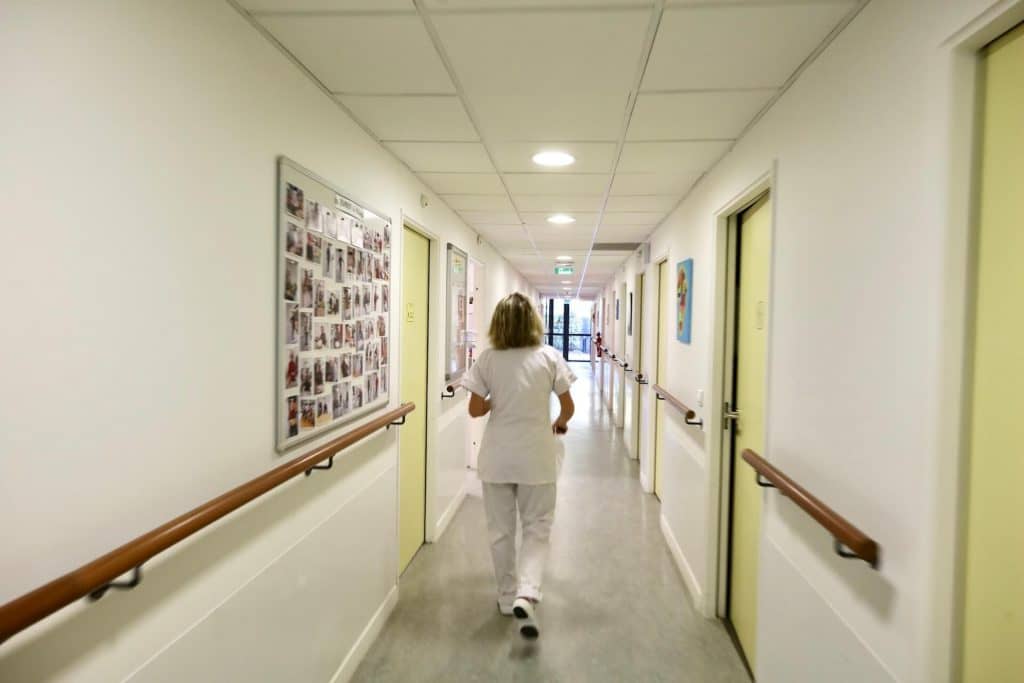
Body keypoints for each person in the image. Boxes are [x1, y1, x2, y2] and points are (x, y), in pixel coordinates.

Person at [462, 292, 576, 640]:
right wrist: (559, 424)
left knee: (500, 531)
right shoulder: (549, 357)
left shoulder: (487, 359)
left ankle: (506, 597)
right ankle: (527, 592)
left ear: (498, 323)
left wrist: (498, 400)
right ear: (532, 323)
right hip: (536, 458)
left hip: (497, 458)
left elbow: (475, 410)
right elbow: (568, 407)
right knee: (537, 527)